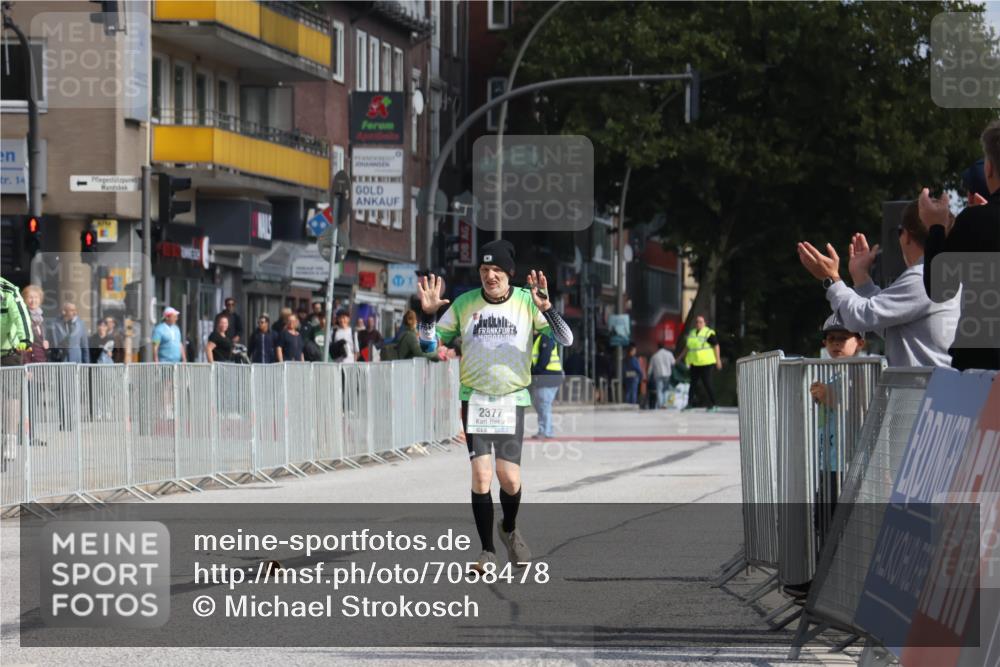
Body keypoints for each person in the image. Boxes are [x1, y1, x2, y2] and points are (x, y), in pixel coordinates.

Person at [416, 239, 574, 573]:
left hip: (512, 399)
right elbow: (429, 347)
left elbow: (566, 339)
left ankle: (509, 528)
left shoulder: (526, 302)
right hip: (474, 399)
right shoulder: (464, 303)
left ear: (509, 273)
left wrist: (547, 309)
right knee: (481, 475)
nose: (490, 276)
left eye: (497, 270)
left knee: (510, 480)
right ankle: (487, 552)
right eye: (485, 270)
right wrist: (427, 316)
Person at [796, 200, 960, 367]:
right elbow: (888, 325)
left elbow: (858, 318)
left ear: (907, 236)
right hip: (934, 389)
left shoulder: (921, 277)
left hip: (924, 391)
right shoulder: (945, 274)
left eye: (899, 232)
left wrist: (831, 280)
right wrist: (861, 277)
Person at [784, 313, 866, 599]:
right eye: (831, 339)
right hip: (827, 461)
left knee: (840, 525)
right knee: (824, 522)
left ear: (860, 342)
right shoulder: (833, 372)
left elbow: (858, 406)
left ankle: (836, 587)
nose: (836, 345)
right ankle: (822, 581)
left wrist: (829, 396)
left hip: (846, 463)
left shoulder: (861, 371)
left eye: (843, 339)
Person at [917, 120, 1000, 371]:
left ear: (989, 168)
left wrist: (936, 228)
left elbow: (940, 289)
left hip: (983, 366)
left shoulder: (974, 221)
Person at [677, 315, 722, 411]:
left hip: (707, 363)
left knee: (707, 383)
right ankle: (689, 404)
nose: (698, 323)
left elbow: (716, 346)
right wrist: (679, 358)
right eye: (697, 322)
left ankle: (714, 404)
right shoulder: (692, 333)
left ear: (704, 323)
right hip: (695, 363)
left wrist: (718, 360)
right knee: (692, 384)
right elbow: (687, 348)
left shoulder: (708, 333)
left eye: (701, 322)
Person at [530, 331, 564, 439]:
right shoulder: (534, 339)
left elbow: (544, 360)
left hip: (549, 376)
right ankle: (543, 430)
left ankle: (547, 432)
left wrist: (533, 372)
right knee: (540, 405)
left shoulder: (545, 338)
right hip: (543, 377)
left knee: (544, 404)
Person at [19, 285, 48, 365]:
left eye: (36, 297)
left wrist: (46, 342)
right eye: (30, 297)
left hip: (42, 359)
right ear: (24, 299)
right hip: (30, 361)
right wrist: (25, 366)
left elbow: (41, 339)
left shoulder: (41, 318)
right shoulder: (22, 317)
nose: (33, 300)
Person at [648, 341, 676, 409]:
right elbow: (673, 363)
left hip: (658, 374)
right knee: (665, 390)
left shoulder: (654, 356)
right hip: (667, 374)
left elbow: (650, 368)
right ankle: (665, 404)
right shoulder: (669, 354)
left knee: (659, 390)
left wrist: (648, 376)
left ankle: (661, 405)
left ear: (657, 347)